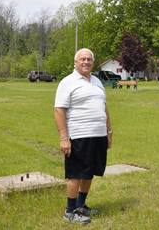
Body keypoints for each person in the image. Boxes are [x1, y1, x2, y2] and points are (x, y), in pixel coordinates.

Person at [54, 48, 113, 224]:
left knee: (89, 173)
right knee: (76, 173)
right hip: (79, 135)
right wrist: (64, 138)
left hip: (98, 135)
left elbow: (104, 107)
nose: (86, 62)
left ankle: (81, 206)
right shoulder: (68, 82)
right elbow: (59, 110)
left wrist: (108, 132)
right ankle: (70, 212)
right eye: (82, 59)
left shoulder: (96, 81)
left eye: (89, 59)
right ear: (75, 62)